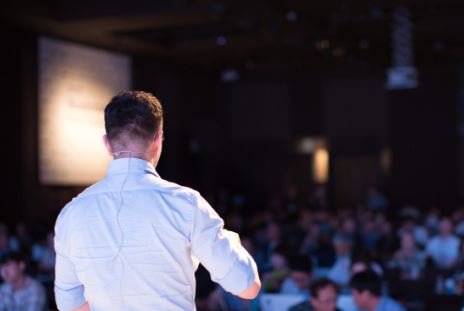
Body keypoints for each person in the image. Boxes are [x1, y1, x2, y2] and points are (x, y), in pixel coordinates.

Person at [54, 91, 261, 311]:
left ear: (107, 143)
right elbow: (247, 287)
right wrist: (230, 240)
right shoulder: (185, 204)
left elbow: (71, 305)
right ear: (158, 138)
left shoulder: (72, 213)